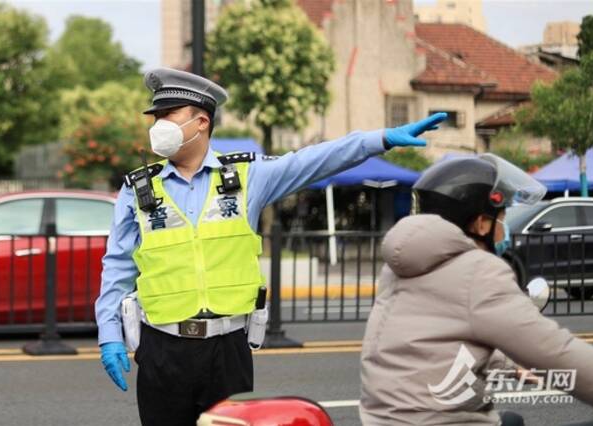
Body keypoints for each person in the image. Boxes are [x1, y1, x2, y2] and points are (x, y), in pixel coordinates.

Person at [94, 67, 447, 426]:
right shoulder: (138, 189)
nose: (157, 125)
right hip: (161, 350)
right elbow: (118, 266)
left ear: (201, 121)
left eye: (168, 115)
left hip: (227, 349)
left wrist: (381, 138)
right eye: (155, 117)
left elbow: (315, 160)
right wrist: (109, 335)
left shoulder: (248, 176)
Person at [359, 154, 593, 426]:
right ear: (481, 224)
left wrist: (511, 367)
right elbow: (556, 352)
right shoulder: (478, 271)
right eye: (502, 217)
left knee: (511, 420)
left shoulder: (399, 267)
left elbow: (437, 344)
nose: (505, 229)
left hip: (382, 420)